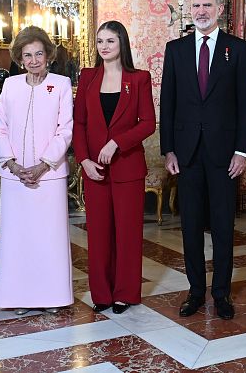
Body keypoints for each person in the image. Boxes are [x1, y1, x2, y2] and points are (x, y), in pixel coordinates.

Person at [160, 0, 246, 320]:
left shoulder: (238, 50)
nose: (201, 11)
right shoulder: (176, 50)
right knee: (190, 227)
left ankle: (222, 294)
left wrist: (243, 152)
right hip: (186, 154)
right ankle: (196, 292)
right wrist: (168, 149)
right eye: (196, 5)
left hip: (224, 154)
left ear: (220, 9)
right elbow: (168, 104)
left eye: (207, 5)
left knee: (222, 227)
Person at [73, 21, 156, 315]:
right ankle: (102, 294)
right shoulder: (87, 77)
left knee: (127, 233)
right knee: (98, 234)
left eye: (110, 41)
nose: (104, 47)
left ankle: (125, 293)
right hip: (93, 168)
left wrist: (116, 144)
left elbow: (147, 123)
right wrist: (84, 160)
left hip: (128, 168)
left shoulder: (139, 78)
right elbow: (79, 123)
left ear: (122, 43)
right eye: (100, 41)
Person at [0, 26, 74, 315]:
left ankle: (52, 298)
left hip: (48, 176)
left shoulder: (61, 84)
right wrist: (11, 163)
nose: (34, 60)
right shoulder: (11, 85)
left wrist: (43, 165)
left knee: (48, 239)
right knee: (19, 239)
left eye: (39, 53)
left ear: (48, 55)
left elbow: (66, 129)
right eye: (28, 55)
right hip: (14, 177)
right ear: (19, 58)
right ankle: (19, 297)